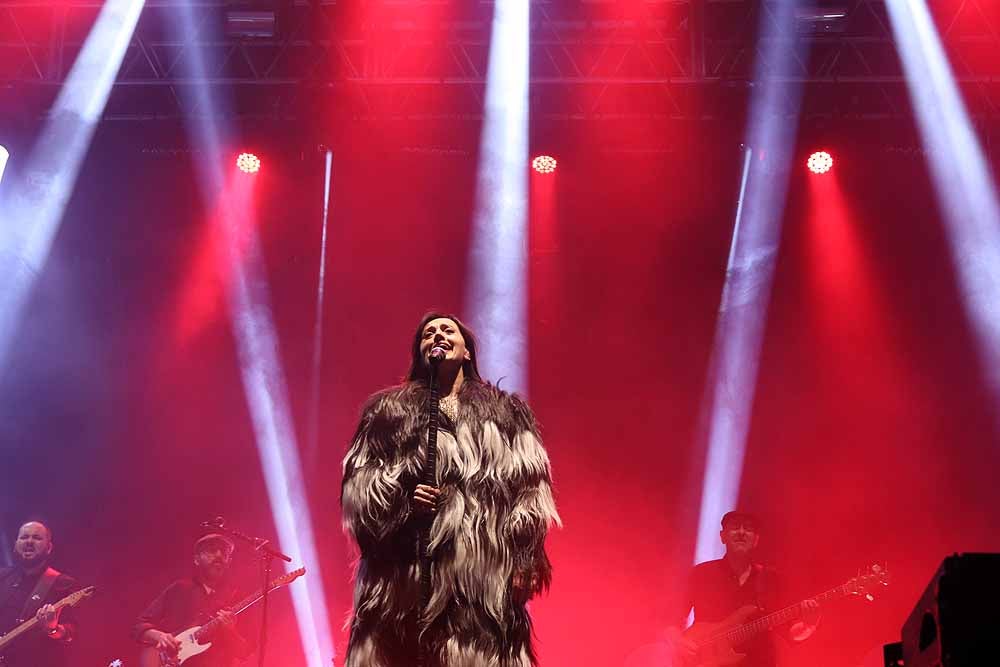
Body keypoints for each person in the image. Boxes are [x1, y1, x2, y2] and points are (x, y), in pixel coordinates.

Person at [341, 312, 561, 667]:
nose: (438, 335)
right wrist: (405, 505)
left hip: (479, 583)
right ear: (420, 351)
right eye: (428, 333)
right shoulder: (387, 413)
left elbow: (531, 490)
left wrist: (526, 558)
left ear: (468, 351)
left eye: (447, 330)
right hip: (405, 581)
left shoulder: (507, 415)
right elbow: (361, 488)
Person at [666, 511, 821, 667]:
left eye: (748, 528)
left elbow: (789, 632)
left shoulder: (771, 580)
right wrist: (677, 642)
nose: (741, 532)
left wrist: (809, 625)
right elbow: (670, 617)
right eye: (735, 527)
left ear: (756, 540)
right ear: (722, 536)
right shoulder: (701, 573)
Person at [132, 533, 253, 667]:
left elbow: (245, 652)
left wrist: (231, 631)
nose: (219, 555)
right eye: (212, 550)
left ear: (229, 561)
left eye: (224, 553)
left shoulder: (238, 599)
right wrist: (160, 636)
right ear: (196, 559)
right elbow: (139, 626)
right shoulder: (180, 589)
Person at [0, 520, 81, 667]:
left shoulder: (61, 583)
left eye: (37, 538)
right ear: (15, 544)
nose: (29, 542)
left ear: (49, 547)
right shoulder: (2, 577)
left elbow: (71, 633)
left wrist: (53, 628)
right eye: (24, 537)